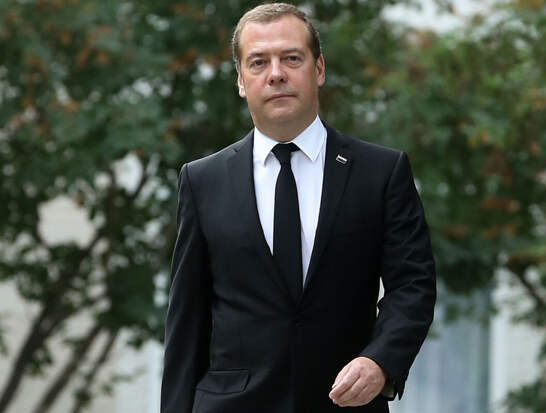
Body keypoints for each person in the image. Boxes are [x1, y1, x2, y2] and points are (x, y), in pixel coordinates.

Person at [161, 3, 436, 413]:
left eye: (291, 58)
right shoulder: (202, 181)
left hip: (342, 404)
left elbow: (413, 285)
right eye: (258, 62)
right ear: (241, 80)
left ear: (318, 69)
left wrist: (381, 361)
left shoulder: (381, 172)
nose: (276, 74)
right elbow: (187, 321)